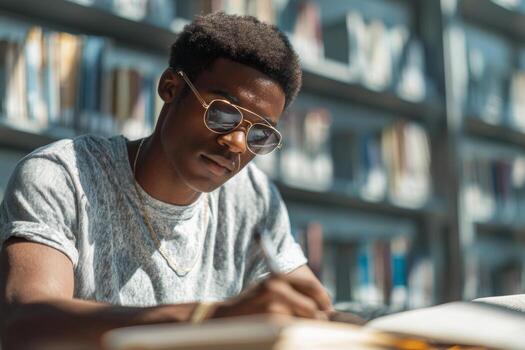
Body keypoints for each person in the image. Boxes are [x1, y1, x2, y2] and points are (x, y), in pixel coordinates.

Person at [0, 12, 332, 349]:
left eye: (260, 134)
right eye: (222, 113)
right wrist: (208, 319)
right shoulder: (61, 174)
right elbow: (25, 320)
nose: (236, 143)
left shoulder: (253, 196)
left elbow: (310, 309)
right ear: (170, 88)